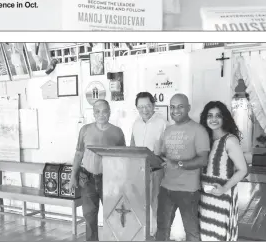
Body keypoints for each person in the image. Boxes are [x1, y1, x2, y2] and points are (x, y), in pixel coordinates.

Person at [156, 93, 210, 241]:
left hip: (188, 190)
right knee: (162, 229)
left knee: (191, 232)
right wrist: (154, 159)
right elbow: (163, 156)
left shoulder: (199, 130)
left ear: (188, 108)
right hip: (166, 187)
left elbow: (203, 160)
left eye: (180, 107)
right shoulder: (167, 130)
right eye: (172, 107)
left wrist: (178, 164)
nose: (175, 110)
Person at [71, 99, 126, 241]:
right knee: (89, 216)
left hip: (109, 180)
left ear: (109, 112)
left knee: (112, 215)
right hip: (87, 179)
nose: (101, 114)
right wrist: (73, 176)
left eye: (104, 111)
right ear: (93, 114)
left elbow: (122, 158)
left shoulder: (117, 132)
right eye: (97, 111)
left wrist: (121, 181)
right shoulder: (85, 130)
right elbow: (78, 154)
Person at [198, 101, 248, 241]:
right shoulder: (205, 139)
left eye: (218, 116)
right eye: (210, 115)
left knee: (219, 235)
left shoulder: (230, 140)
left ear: (224, 118)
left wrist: (224, 188)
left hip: (222, 195)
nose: (213, 119)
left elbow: (242, 170)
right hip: (205, 196)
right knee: (205, 233)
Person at [131, 92, 168, 237]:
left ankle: (156, 234)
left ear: (153, 105)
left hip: (156, 170)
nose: (144, 110)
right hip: (139, 171)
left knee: (156, 204)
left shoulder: (162, 123)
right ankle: (143, 233)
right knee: (140, 202)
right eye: (140, 107)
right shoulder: (136, 123)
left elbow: (168, 148)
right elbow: (132, 145)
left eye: (147, 106)